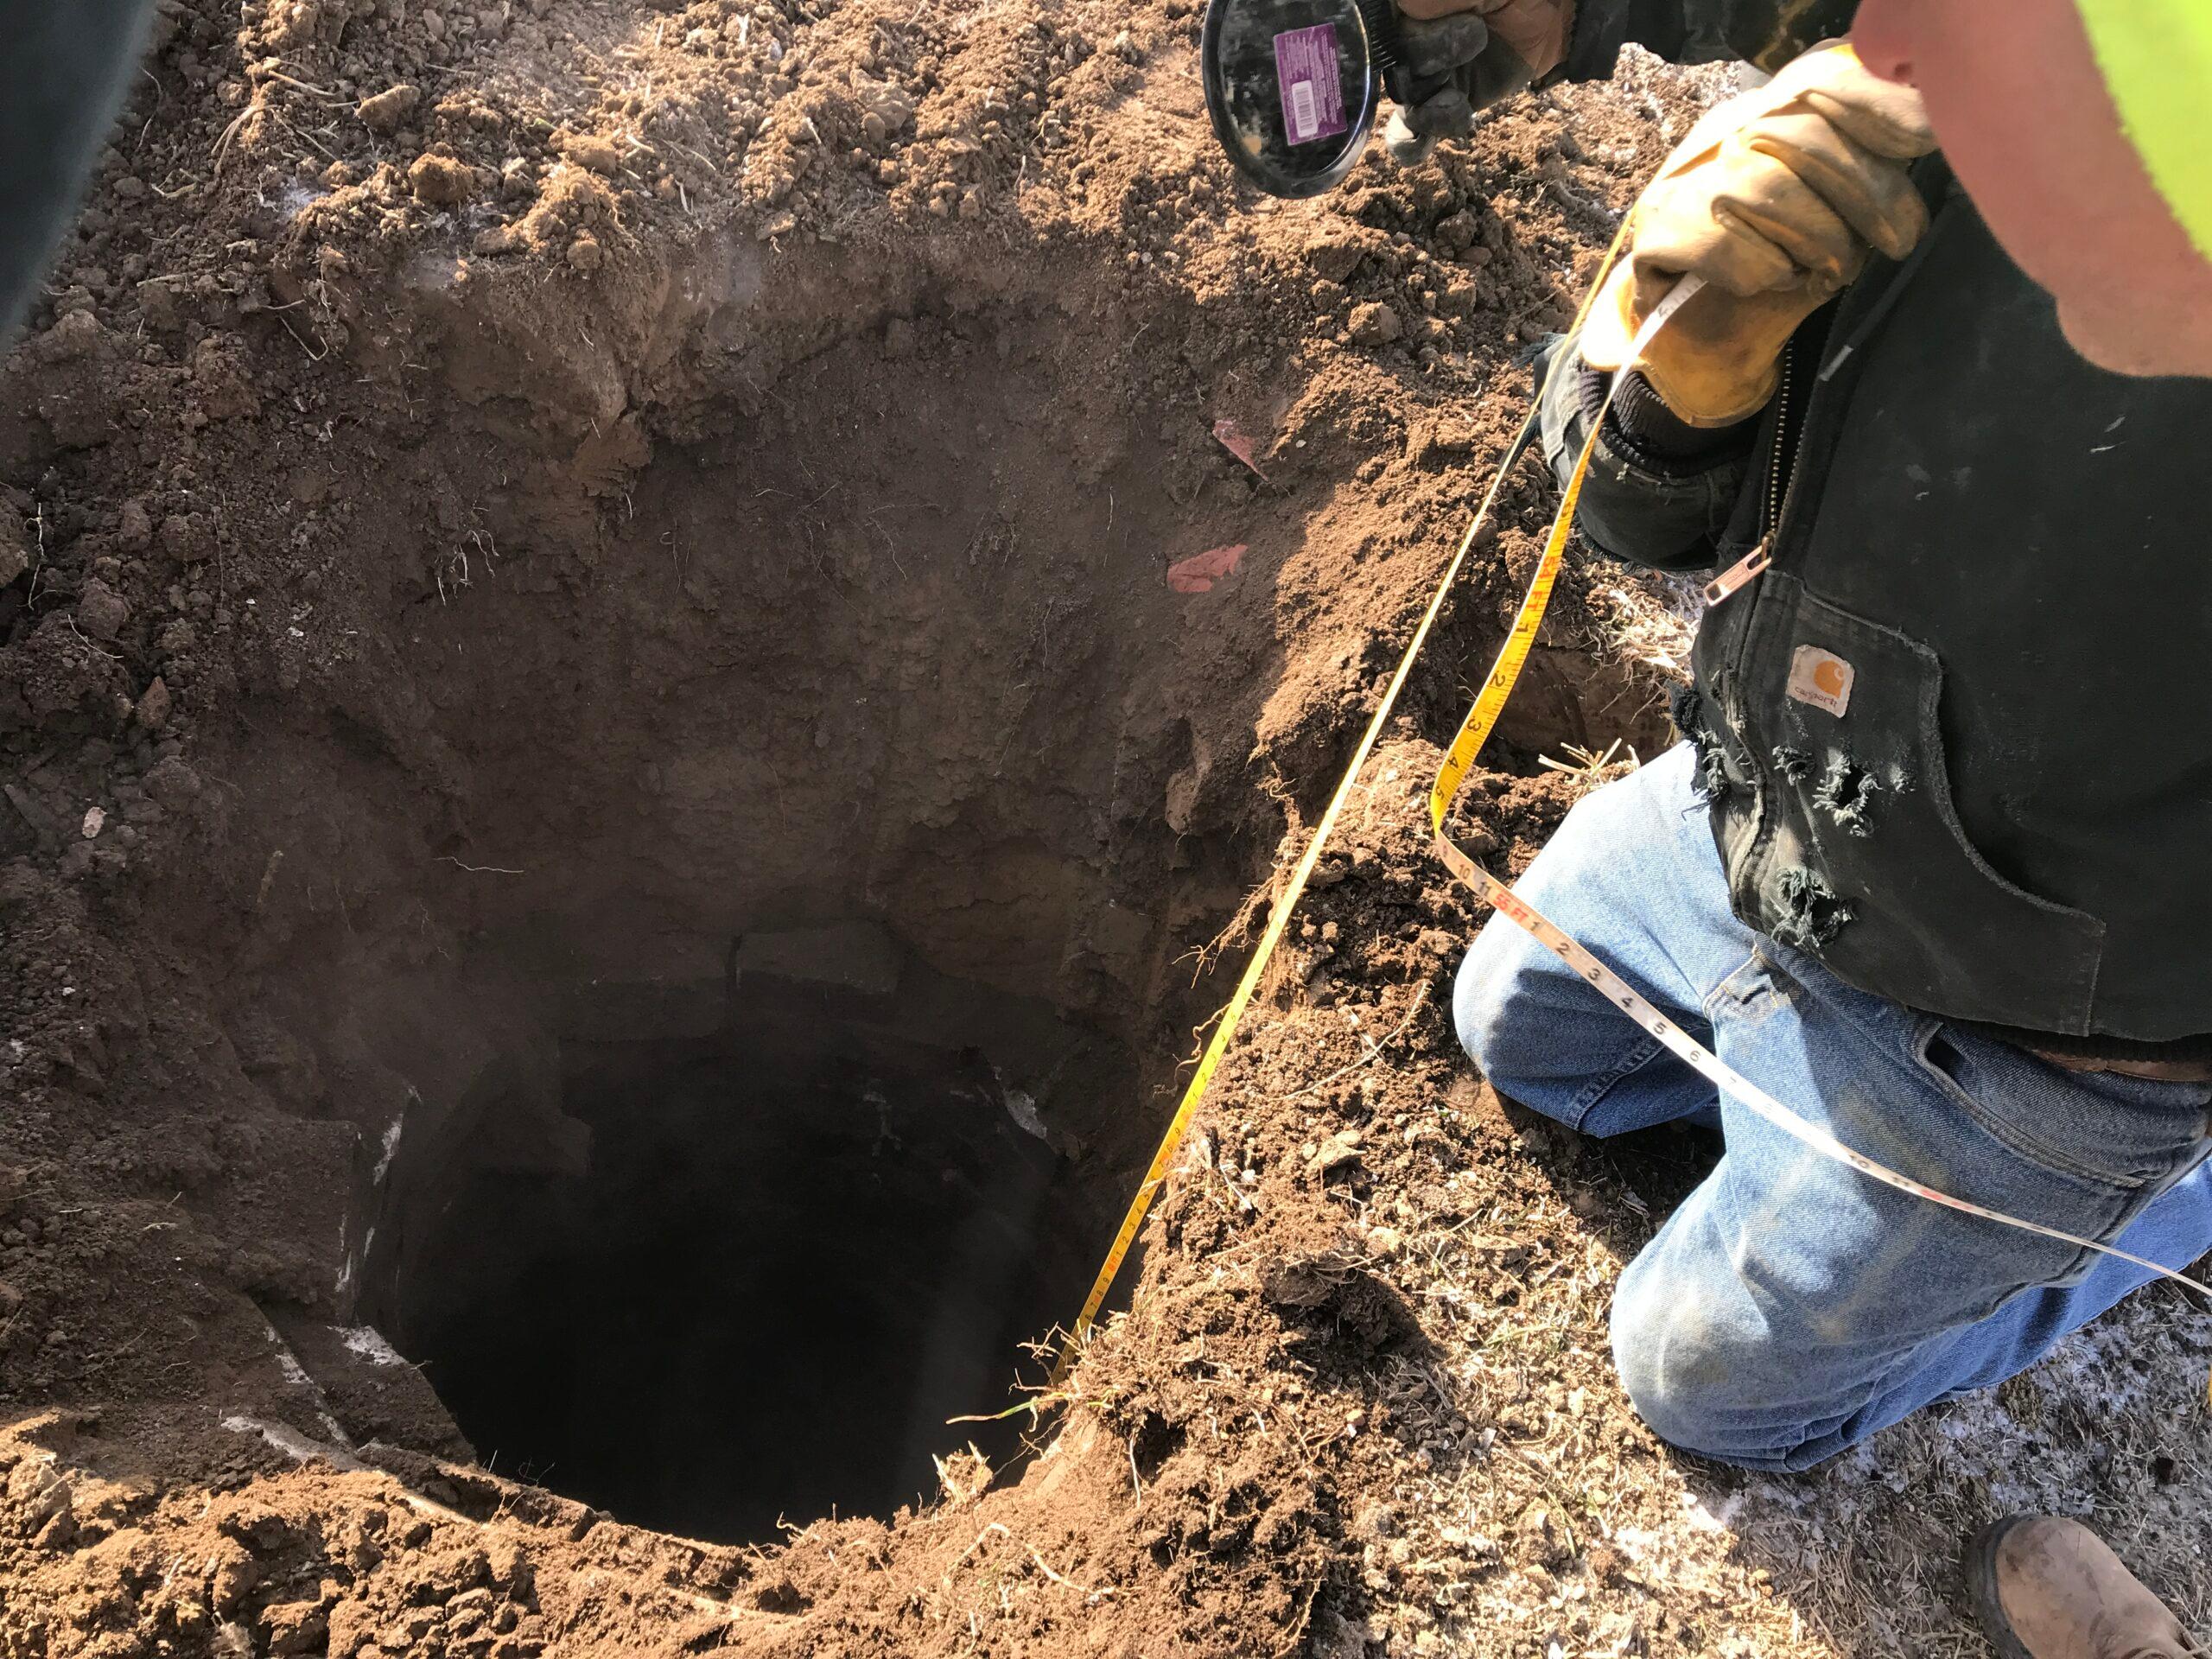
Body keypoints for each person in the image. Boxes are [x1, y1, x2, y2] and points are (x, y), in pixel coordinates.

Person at [1390, 2, 2212, 1655]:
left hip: (2057, 1043)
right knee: (1518, 1031)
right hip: (1777, 820)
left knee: (1696, 1384)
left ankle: (2156, 1212)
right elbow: (1643, 509)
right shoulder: (1933, 82)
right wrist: (1661, 380)